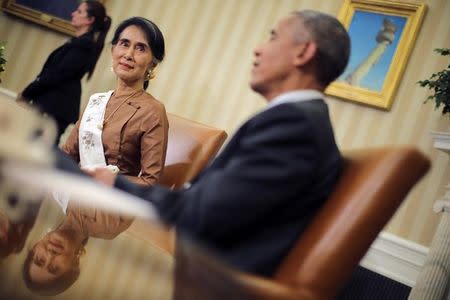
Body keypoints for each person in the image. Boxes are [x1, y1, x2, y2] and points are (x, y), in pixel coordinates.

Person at [90, 10, 351, 277]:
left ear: (303, 53)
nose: (258, 49)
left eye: (272, 37)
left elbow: (199, 215)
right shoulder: (297, 121)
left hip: (215, 282)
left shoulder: (295, 128)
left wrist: (114, 183)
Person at [61, 17, 168, 189]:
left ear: (152, 64)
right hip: (76, 199)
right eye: (124, 44)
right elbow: (68, 155)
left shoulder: (153, 111)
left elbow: (150, 182)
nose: (128, 54)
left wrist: (110, 180)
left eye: (140, 48)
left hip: (111, 206)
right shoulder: (96, 101)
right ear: (113, 50)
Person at [16, 1, 111, 143]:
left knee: (36, 152)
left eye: (79, 11)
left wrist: (26, 93)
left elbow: (56, 75)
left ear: (89, 20)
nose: (73, 13)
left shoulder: (84, 44)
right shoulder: (80, 42)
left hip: (55, 106)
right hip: (51, 104)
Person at [22, 200, 133, 295]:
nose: (50, 255)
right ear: (74, 263)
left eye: (40, 260)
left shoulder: (58, 193)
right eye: (55, 268)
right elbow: (145, 177)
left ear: (36, 247)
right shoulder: (109, 226)